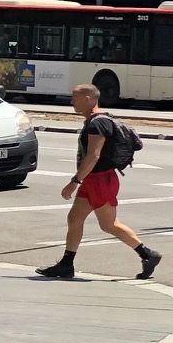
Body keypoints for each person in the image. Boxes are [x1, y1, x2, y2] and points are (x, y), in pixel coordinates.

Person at [36, 83, 160, 281]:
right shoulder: (98, 120)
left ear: (88, 98)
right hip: (95, 179)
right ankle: (66, 264)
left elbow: (93, 155)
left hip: (100, 180)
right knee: (75, 218)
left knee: (109, 224)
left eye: (74, 98)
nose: (71, 102)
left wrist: (75, 180)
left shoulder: (97, 123)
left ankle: (148, 254)